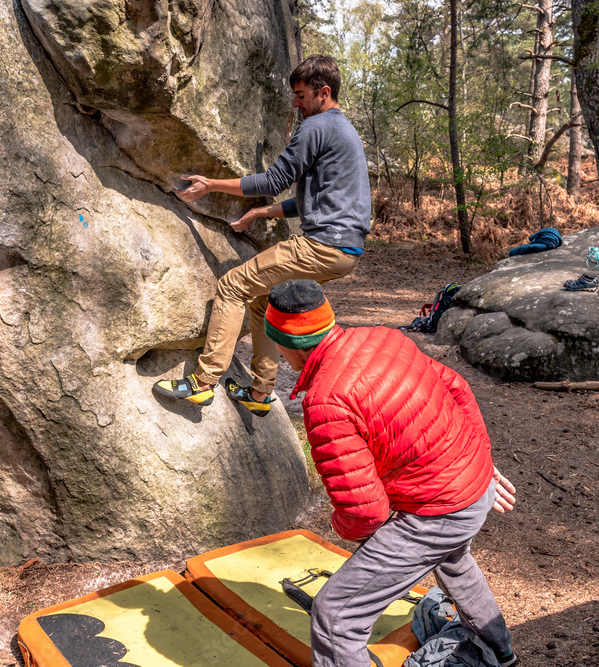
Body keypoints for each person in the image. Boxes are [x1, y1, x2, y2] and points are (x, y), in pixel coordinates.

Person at [265, 279, 519, 667]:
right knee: (452, 561)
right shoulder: (383, 337)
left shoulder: (325, 399)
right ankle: (500, 652)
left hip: (439, 511)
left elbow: (365, 514)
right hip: (470, 489)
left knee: (336, 616)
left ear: (287, 344)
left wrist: (339, 525)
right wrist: (479, 461)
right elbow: (457, 387)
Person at [153, 55, 371, 416]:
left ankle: (202, 383)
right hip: (345, 249)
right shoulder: (344, 132)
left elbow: (272, 181)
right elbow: (318, 202)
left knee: (232, 286)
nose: (295, 103)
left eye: (301, 95)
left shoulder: (316, 127)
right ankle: (260, 392)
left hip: (321, 245)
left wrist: (210, 186)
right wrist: (262, 211)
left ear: (324, 92)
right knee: (260, 301)